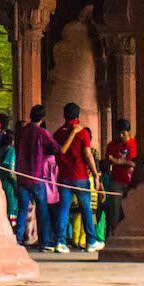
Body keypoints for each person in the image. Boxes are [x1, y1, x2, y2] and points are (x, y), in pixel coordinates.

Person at [52, 102, 104, 252]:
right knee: (86, 209)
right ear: (78, 115)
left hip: (63, 177)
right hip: (80, 176)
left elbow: (57, 155)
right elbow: (88, 155)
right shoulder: (82, 133)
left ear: (64, 115)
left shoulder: (58, 133)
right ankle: (91, 241)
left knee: (64, 209)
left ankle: (60, 242)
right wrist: (95, 174)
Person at [14, 104, 62, 252]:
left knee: (22, 209)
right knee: (42, 210)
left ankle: (17, 239)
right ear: (42, 117)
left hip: (22, 176)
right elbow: (56, 148)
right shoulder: (42, 133)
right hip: (37, 176)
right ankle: (45, 241)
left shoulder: (21, 132)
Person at [102, 119, 136, 238]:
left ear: (128, 132)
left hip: (131, 182)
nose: (121, 136)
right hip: (116, 181)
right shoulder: (112, 145)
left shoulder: (134, 143)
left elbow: (135, 163)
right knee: (114, 210)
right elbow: (106, 162)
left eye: (123, 133)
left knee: (130, 210)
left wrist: (118, 161)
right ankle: (115, 235)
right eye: (119, 133)